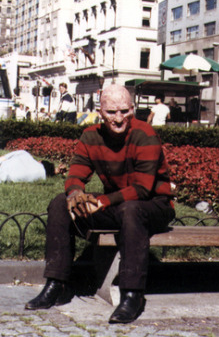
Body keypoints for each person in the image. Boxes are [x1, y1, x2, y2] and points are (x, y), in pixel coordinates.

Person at [25, 84, 176, 324]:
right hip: (121, 204)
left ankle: (132, 295)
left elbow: (142, 189)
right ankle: (57, 284)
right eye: (112, 112)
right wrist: (75, 193)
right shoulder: (90, 136)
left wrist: (102, 201)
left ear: (133, 110)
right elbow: (76, 172)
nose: (119, 118)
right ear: (100, 111)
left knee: (131, 208)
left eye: (125, 111)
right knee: (59, 204)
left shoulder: (145, 134)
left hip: (154, 205)